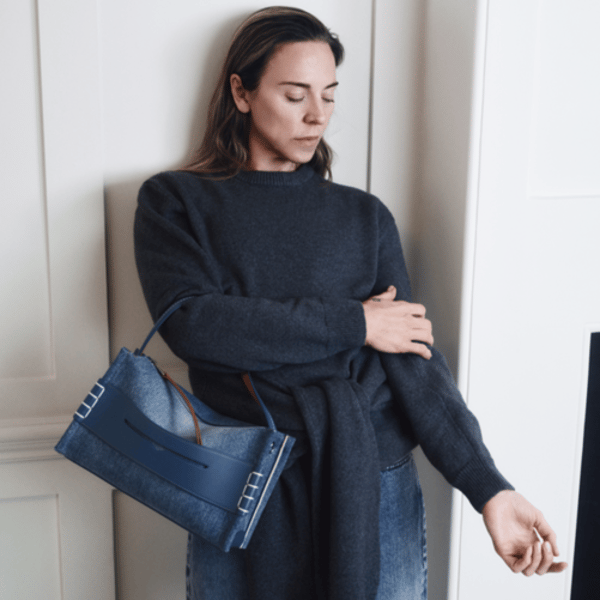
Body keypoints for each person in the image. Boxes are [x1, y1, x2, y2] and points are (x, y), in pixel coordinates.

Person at [133, 7, 567, 600]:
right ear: (241, 91)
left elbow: (413, 360)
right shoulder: (176, 201)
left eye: (330, 95)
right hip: (243, 477)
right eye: (295, 95)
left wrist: (490, 489)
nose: (317, 115)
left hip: (373, 476)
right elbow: (195, 325)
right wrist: (358, 322)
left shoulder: (365, 217)